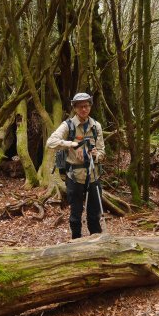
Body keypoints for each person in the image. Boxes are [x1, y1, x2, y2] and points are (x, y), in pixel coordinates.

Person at [46, 93, 105, 239]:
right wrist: (71, 144)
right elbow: (51, 142)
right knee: (75, 215)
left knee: (94, 215)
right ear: (75, 108)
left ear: (90, 106)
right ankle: (76, 242)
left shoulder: (96, 126)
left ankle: (96, 243)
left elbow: (102, 151)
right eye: (80, 107)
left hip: (93, 175)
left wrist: (96, 154)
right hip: (74, 176)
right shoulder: (68, 125)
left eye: (86, 106)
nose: (84, 109)